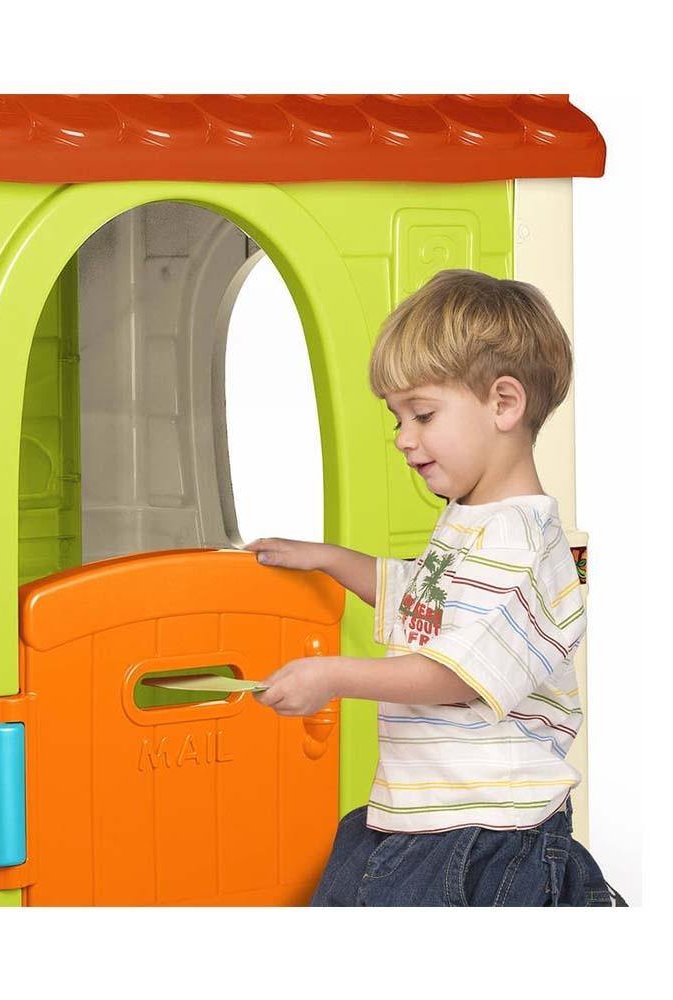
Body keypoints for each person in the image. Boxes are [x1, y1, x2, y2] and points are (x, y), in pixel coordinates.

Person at [244, 269, 626, 906]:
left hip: (487, 830)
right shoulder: (470, 519)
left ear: (504, 404)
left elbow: (458, 675)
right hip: (431, 814)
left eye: (422, 414)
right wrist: (332, 560)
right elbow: (428, 603)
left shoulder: (521, 541)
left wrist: (332, 676)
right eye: (397, 418)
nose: (403, 438)